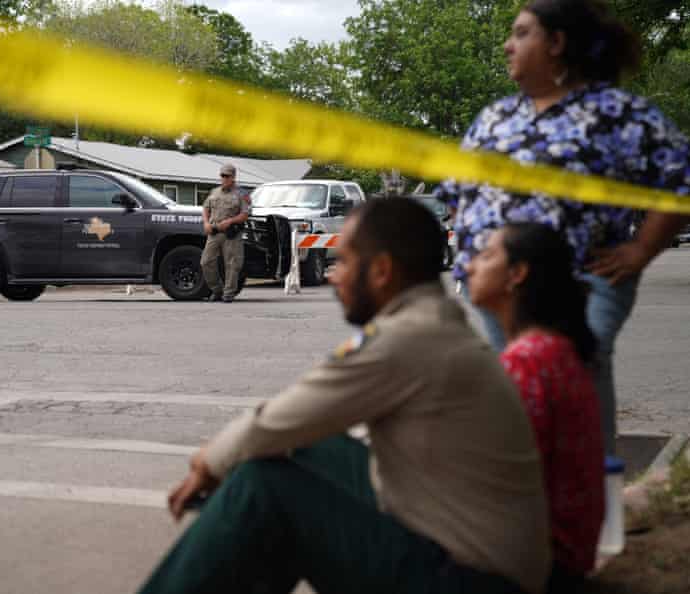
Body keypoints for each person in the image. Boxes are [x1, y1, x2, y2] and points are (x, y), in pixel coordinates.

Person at [138, 199, 551, 594]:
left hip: (472, 580)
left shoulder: (409, 338)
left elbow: (276, 420)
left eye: (345, 262)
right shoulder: (432, 321)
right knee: (305, 446)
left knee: (266, 486)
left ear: (382, 270)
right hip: (483, 558)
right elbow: (293, 422)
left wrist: (206, 463)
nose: (334, 275)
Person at [435, 0, 690, 453]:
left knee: (574, 380)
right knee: (519, 394)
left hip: (583, 281)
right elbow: (456, 195)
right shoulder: (495, 117)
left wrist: (640, 250)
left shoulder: (617, 113)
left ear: (556, 42)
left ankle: (592, 504)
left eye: (521, 33)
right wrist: (479, 251)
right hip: (500, 288)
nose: (507, 45)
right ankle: (537, 507)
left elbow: (680, 180)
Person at [466, 223, 604, 593]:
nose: (469, 266)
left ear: (517, 274)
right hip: (562, 557)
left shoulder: (529, 361)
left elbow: (492, 480)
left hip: (534, 567)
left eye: (486, 255)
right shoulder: (553, 350)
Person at [200, 163, 250, 302]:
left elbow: (245, 214)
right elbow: (205, 208)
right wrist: (206, 222)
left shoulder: (241, 194)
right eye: (222, 175)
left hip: (231, 234)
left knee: (232, 264)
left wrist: (231, 221)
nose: (224, 178)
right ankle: (217, 290)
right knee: (206, 261)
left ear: (233, 177)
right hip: (214, 232)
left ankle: (228, 294)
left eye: (227, 176)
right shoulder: (214, 192)